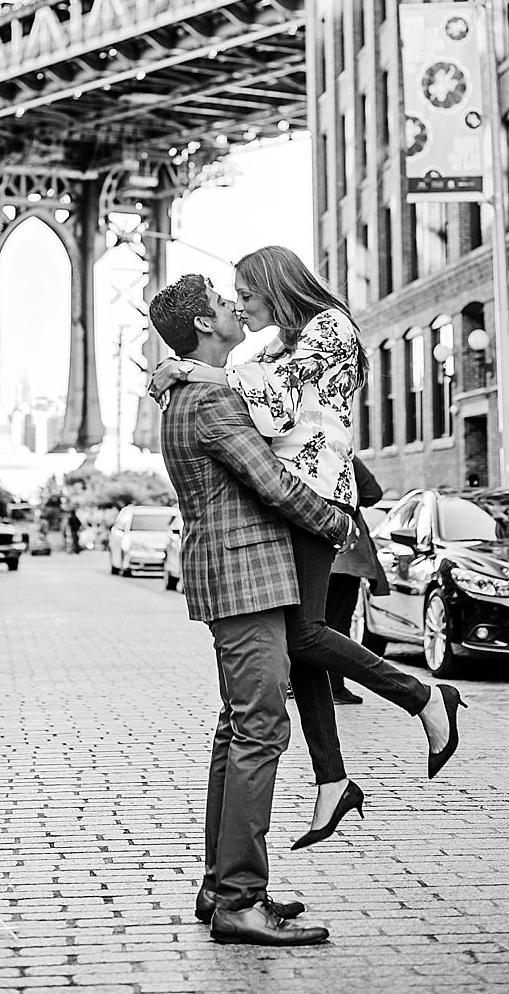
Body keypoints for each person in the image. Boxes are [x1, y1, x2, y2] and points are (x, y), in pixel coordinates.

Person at [151, 246, 466, 849]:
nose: (239, 306)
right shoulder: (276, 344)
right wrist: (192, 368)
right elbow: (251, 389)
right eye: (231, 298)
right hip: (296, 496)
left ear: (274, 284)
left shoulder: (330, 327)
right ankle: (332, 779)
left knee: (301, 636)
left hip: (318, 497)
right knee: (300, 646)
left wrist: (186, 369)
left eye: (244, 293)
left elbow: (272, 406)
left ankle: (425, 695)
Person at [148, 274, 352, 947]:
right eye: (224, 300)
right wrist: (334, 520)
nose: (237, 305)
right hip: (246, 579)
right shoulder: (209, 403)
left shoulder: (191, 388)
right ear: (206, 325)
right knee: (261, 727)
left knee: (237, 728)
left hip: (232, 576)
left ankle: (222, 884)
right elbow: (272, 485)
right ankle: (239, 898)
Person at [324, 456, 390, 706]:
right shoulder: (342, 452)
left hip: (308, 551)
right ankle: (335, 686)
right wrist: (349, 498)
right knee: (337, 625)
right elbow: (373, 492)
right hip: (344, 554)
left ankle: (302, 684)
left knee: (308, 624)